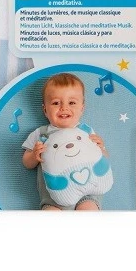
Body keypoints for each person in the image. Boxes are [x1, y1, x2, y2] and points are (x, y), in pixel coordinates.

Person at [22, 72, 107, 210]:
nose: (64, 108)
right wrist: (34, 156)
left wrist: (101, 148)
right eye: (56, 103)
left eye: (72, 103)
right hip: (54, 198)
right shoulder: (41, 134)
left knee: (88, 209)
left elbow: (103, 158)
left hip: (87, 193)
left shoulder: (86, 132)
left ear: (82, 108)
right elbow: (26, 163)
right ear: (45, 109)